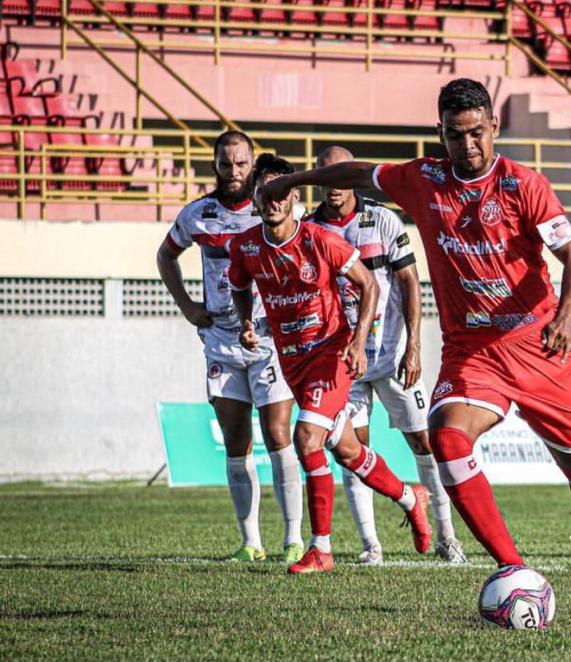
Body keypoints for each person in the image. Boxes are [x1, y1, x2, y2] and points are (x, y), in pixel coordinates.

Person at [259, 78, 571, 614]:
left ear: (494, 127)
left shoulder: (523, 185)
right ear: (440, 133)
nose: (469, 146)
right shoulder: (423, 179)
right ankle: (512, 565)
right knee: (446, 440)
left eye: (477, 133)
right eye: (455, 135)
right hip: (473, 353)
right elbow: (354, 172)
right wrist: (295, 180)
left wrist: (565, 318)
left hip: (538, 346)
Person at [227, 153, 432, 574]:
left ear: (294, 196)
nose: (273, 200)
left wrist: (357, 343)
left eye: (280, 191)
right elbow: (239, 284)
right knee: (348, 451)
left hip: (332, 353)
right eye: (264, 192)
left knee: (307, 439)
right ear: (255, 197)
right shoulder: (244, 246)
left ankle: (321, 548)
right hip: (293, 362)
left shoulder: (319, 239)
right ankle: (412, 498)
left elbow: (369, 284)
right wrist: (247, 322)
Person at [307, 145, 466, 565]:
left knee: (425, 442)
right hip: (345, 364)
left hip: (393, 355)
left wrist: (415, 346)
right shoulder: (310, 229)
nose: (333, 185)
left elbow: (410, 283)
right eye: (324, 176)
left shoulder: (382, 219)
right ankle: (370, 545)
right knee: (355, 448)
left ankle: (447, 536)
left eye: (341, 175)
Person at [156, 130, 305, 565]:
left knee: (279, 435)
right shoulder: (198, 214)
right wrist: (187, 306)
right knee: (236, 441)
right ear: (215, 165)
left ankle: (293, 538)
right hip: (221, 340)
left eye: (241, 163)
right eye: (226, 163)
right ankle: (250, 542)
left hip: (269, 338)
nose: (234, 171)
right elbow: (165, 256)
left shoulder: (270, 210)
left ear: (252, 163)